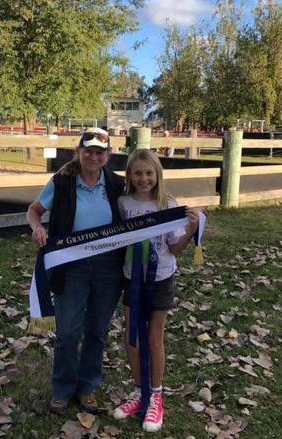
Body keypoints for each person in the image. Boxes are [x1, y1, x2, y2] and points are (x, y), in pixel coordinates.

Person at [26, 127, 125, 415]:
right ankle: (63, 388)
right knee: (68, 331)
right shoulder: (62, 182)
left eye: (99, 152)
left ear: (108, 156)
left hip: (109, 266)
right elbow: (33, 211)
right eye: (88, 150)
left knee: (97, 330)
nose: (93, 156)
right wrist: (37, 228)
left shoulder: (116, 185)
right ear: (78, 152)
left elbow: (138, 212)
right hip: (71, 266)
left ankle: (88, 387)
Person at [112, 149, 199, 433]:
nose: (144, 178)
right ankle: (139, 391)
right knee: (131, 338)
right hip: (131, 278)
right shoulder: (122, 203)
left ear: (158, 175)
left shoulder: (167, 204)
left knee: (153, 338)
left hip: (161, 278)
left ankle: (156, 395)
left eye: (149, 173)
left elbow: (175, 248)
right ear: (129, 176)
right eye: (138, 173)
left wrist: (189, 231)